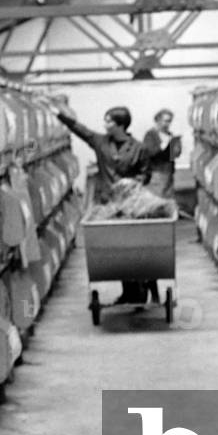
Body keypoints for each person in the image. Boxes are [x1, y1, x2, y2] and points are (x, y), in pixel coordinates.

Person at [54, 102, 151, 304]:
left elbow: (146, 174)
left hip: (131, 204)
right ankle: (129, 291)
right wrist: (58, 114)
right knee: (117, 248)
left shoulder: (139, 148)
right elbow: (80, 129)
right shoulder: (100, 142)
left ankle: (140, 287)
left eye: (108, 121)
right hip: (107, 204)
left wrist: (132, 182)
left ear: (120, 124)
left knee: (132, 247)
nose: (104, 124)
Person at [142, 108, 182, 199]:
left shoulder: (170, 135)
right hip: (156, 174)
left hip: (168, 174)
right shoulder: (150, 135)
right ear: (158, 120)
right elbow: (150, 152)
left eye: (170, 121)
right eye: (166, 121)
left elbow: (175, 155)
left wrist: (176, 144)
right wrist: (164, 144)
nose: (168, 124)